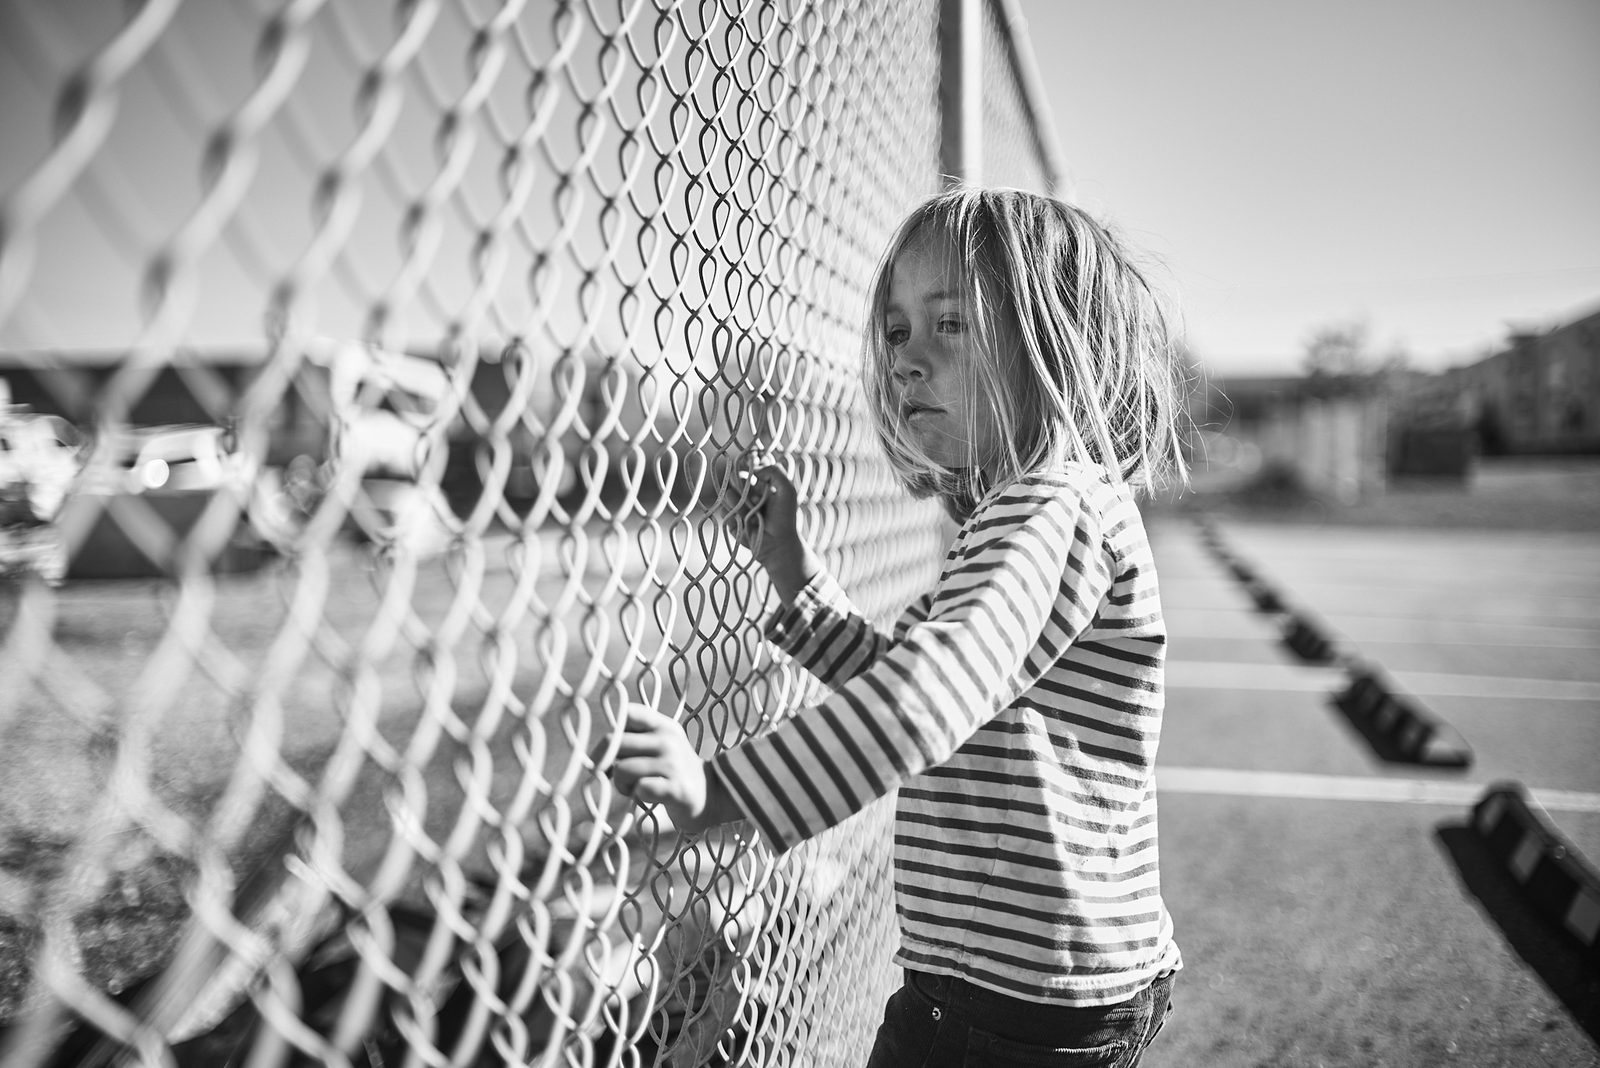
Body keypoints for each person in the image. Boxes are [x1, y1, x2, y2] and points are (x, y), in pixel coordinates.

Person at [608, 186, 1189, 1067]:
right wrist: (796, 577)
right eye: (896, 331)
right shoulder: (1026, 510)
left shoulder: (1052, 507)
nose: (909, 360)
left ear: (1054, 344)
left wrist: (716, 792)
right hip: (1010, 976)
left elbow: (924, 699)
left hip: (1020, 1000)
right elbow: (927, 679)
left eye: (950, 324)